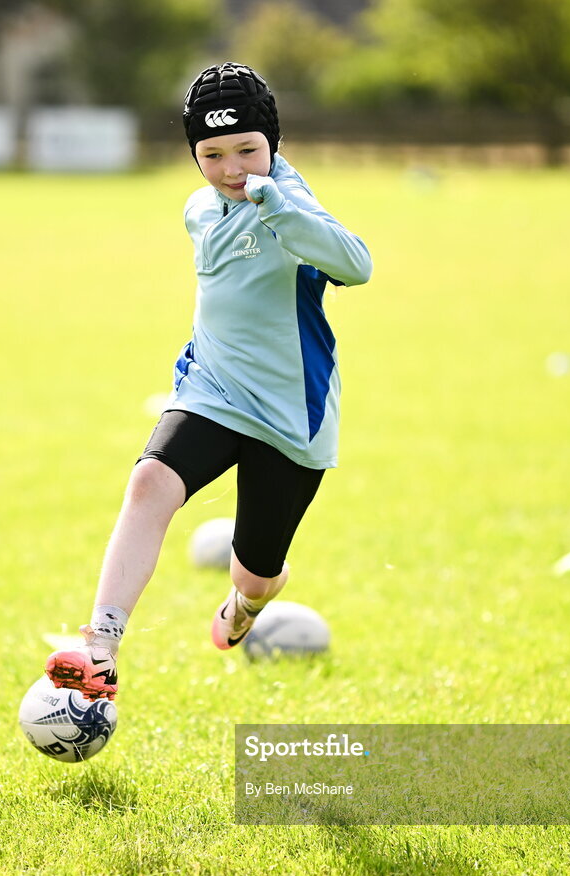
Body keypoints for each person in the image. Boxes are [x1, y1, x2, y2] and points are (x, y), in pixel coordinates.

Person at [44, 62, 373, 701]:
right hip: (213, 390)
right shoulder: (200, 208)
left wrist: (280, 209)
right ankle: (100, 648)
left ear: (273, 144)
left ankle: (245, 606)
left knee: (255, 577)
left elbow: (356, 265)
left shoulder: (289, 200)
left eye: (248, 150)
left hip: (289, 416)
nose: (232, 169)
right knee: (148, 483)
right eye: (212, 154)